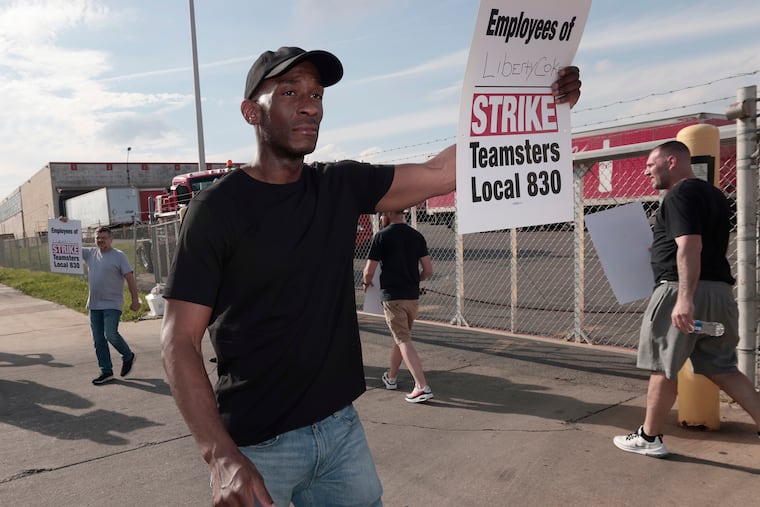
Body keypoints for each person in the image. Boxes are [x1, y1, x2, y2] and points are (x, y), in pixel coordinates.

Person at [160, 45, 581, 506]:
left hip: (341, 434)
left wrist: (539, 106)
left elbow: (441, 172)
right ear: (250, 113)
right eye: (289, 91)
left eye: (317, 94)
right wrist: (220, 455)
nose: (310, 105)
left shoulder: (338, 186)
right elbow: (179, 341)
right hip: (259, 448)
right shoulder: (216, 209)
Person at [613, 140, 760, 458]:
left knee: (662, 366)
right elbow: (710, 247)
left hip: (680, 292)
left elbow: (690, 244)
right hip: (719, 292)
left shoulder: (678, 194)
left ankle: (649, 437)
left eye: (650, 165)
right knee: (723, 367)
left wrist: (684, 298)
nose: (646, 170)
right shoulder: (716, 196)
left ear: (670, 161)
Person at [362, 210, 434, 403]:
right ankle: (391, 377)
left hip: (393, 297)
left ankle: (421, 386)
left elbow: (369, 270)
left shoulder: (381, 237)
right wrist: (415, 280)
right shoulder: (416, 236)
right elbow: (428, 270)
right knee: (401, 337)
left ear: (388, 213)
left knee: (402, 339)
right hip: (411, 297)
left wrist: (366, 283)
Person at [81, 226, 140, 385]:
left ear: (111, 239)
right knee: (98, 339)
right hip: (94, 304)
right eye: (97, 238)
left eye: (104, 238)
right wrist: (64, 225)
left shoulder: (119, 256)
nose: (100, 240)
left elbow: (130, 279)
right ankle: (106, 371)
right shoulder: (90, 254)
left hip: (112, 304)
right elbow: (68, 246)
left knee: (110, 334)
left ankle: (128, 356)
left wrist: (135, 300)